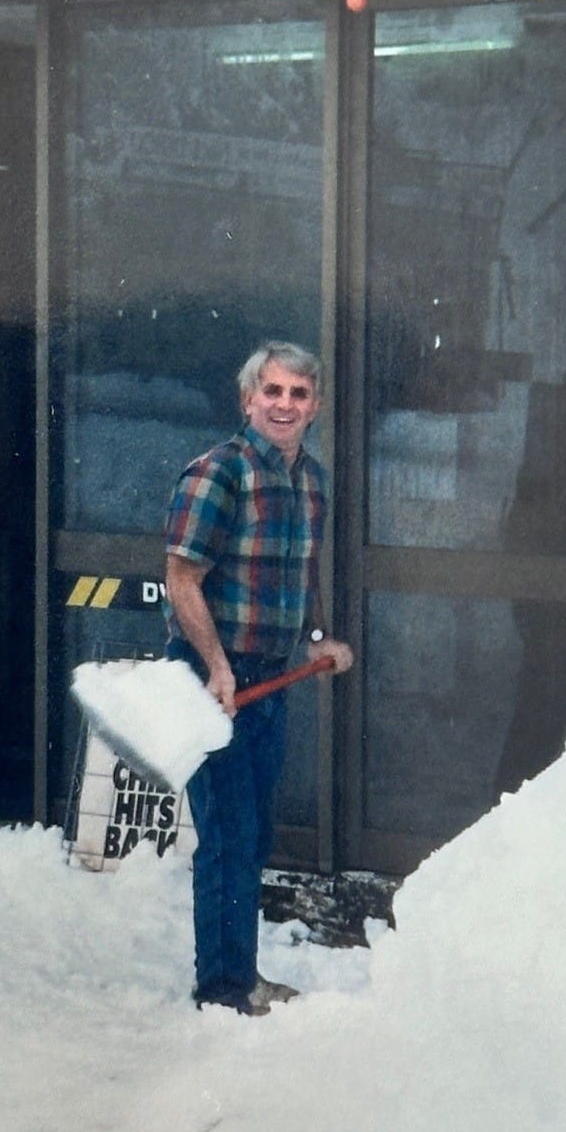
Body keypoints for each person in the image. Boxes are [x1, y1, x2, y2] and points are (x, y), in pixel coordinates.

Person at [163, 342, 354, 1015]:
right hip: (214, 677)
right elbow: (182, 579)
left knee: (253, 832)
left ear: (316, 406)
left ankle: (237, 973)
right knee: (229, 835)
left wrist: (316, 640)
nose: (284, 405)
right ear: (248, 400)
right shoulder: (218, 474)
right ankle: (222, 989)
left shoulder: (313, 481)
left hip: (269, 682)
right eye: (272, 392)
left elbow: (300, 575)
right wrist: (214, 666)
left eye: (298, 395)